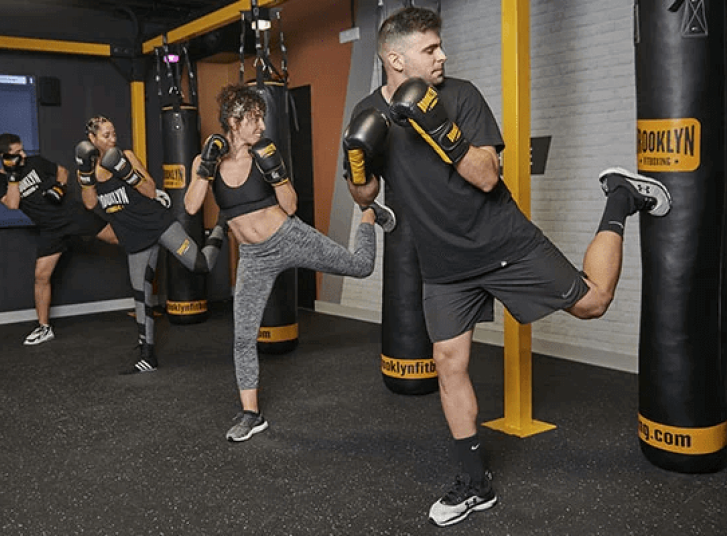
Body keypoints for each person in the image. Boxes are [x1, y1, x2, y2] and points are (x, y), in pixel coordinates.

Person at [345, 7, 672, 528]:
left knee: (593, 301)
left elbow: (487, 176)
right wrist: (358, 160)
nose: (443, 55)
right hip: (444, 267)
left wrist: (438, 126)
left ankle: (620, 197)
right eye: (430, 49)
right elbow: (364, 195)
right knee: (449, 363)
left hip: (501, 243)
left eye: (440, 45)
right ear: (395, 59)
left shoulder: (460, 96)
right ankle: (475, 484)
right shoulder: (367, 112)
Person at [184, 83, 396, 442]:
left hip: (288, 237)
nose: (262, 126)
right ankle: (251, 414)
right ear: (234, 121)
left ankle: (369, 214)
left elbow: (292, 206)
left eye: (263, 118)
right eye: (255, 119)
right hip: (253, 257)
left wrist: (276, 173)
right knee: (242, 337)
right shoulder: (207, 161)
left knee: (361, 266)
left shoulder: (263, 154)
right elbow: (191, 207)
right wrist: (205, 169)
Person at [77, 115, 225, 375]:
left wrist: (126, 172)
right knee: (141, 298)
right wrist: (86, 175)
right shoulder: (89, 168)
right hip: (134, 238)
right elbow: (90, 204)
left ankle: (223, 223)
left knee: (201, 265)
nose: (113, 139)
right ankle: (148, 356)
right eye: (106, 135)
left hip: (159, 224)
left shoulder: (126, 156)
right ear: (92, 139)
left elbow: (149, 189)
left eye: (114, 133)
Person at [0, 133, 118, 346]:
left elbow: (62, 171)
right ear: (5, 157)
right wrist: (13, 175)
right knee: (41, 276)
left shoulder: (35, 162)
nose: (24, 154)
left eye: (23, 149)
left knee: (118, 238)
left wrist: (60, 187)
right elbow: (12, 204)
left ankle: (146, 290)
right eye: (17, 153)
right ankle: (44, 328)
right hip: (50, 229)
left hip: (71, 214)